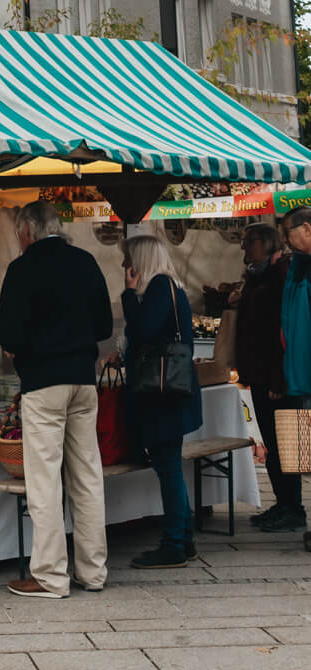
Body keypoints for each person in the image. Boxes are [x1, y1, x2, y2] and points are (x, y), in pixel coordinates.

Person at [0, 200, 112, 598]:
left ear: (27, 231)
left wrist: (22, 347)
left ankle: (49, 576)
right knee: (87, 477)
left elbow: (7, 330)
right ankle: (93, 572)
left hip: (44, 382)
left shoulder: (23, 269)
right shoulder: (86, 262)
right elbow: (103, 325)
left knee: (45, 482)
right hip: (83, 379)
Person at [122, 232, 202, 569]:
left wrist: (128, 294)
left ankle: (173, 544)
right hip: (172, 393)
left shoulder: (157, 289)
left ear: (141, 262)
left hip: (162, 395)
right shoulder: (173, 289)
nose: (125, 266)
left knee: (168, 468)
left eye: (129, 261)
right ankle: (183, 539)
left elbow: (142, 331)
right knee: (170, 467)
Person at [233, 224, 302, 532]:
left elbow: (285, 331)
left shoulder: (283, 274)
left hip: (280, 378)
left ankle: (294, 507)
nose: (244, 249)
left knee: (287, 443)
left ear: (265, 243)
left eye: (249, 243)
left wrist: (279, 377)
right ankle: (284, 503)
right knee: (273, 445)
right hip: (261, 374)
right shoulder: (259, 275)